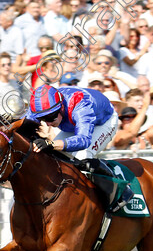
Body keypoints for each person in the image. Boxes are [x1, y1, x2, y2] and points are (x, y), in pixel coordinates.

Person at [27, 84, 133, 212]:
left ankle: (121, 190)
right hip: (73, 125)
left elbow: (84, 140)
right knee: (53, 157)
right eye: (42, 119)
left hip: (103, 123)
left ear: (61, 107)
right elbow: (25, 126)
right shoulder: (40, 106)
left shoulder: (80, 104)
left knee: (82, 158)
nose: (47, 123)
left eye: (50, 117)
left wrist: (51, 144)